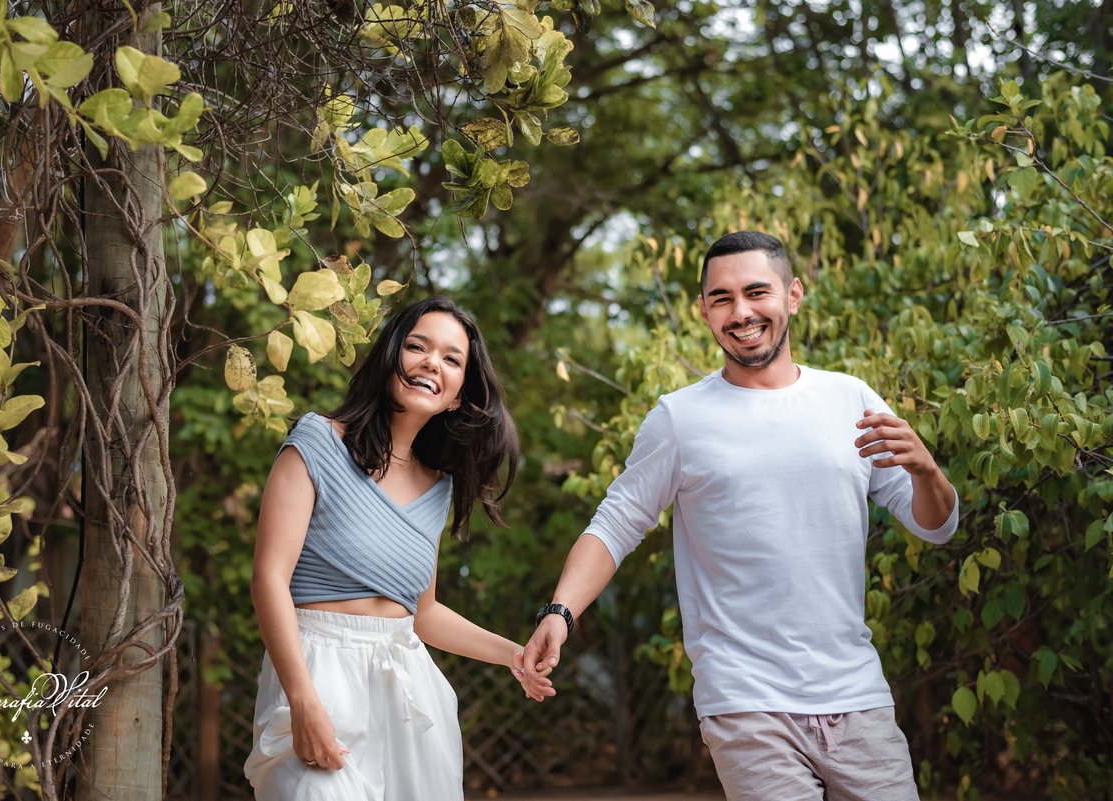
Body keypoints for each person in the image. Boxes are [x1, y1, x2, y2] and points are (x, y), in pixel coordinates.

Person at [522, 231, 959, 801]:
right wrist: (560, 612)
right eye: (722, 298)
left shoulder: (851, 400)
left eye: (757, 292)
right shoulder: (679, 418)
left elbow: (937, 525)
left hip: (856, 694)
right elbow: (614, 525)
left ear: (793, 296)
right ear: (703, 310)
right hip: (745, 701)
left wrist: (927, 472)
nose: (742, 312)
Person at [245, 296, 546, 801]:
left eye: (452, 359)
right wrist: (302, 699)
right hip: (318, 668)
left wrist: (515, 656)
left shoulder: (438, 488)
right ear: (391, 358)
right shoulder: (318, 442)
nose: (433, 362)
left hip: (408, 688)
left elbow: (422, 613)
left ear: (456, 396)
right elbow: (269, 578)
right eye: (417, 346)